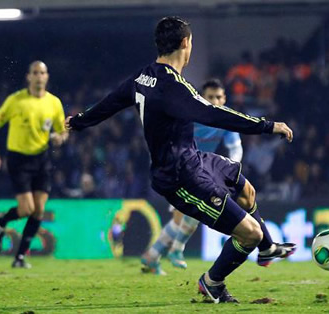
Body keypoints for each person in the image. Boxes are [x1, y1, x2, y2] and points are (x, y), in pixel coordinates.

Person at [66, 17, 295, 303]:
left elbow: (110, 102)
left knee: (246, 191)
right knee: (249, 232)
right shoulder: (173, 87)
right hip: (179, 176)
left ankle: (266, 248)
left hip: (194, 158)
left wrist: (78, 122)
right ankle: (213, 282)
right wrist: (266, 126)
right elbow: (215, 114)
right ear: (186, 43)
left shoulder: (143, 77)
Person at [141, 78, 244, 275]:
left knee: (185, 217)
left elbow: (235, 148)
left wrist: (232, 167)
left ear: (225, 99)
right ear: (201, 98)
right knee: (191, 214)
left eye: (219, 97)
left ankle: (152, 257)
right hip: (174, 167)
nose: (215, 101)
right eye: (210, 97)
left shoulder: (225, 120)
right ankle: (176, 250)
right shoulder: (189, 114)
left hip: (198, 169)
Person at [0, 61, 68, 268]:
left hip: (41, 159)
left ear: (47, 76)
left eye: (42, 72)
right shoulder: (16, 101)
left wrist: (60, 138)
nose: (39, 76)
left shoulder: (54, 103)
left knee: (39, 209)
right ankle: (1, 222)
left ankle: (20, 257)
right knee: (26, 208)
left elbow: (62, 131)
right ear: (28, 77)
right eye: (35, 73)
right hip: (18, 159)